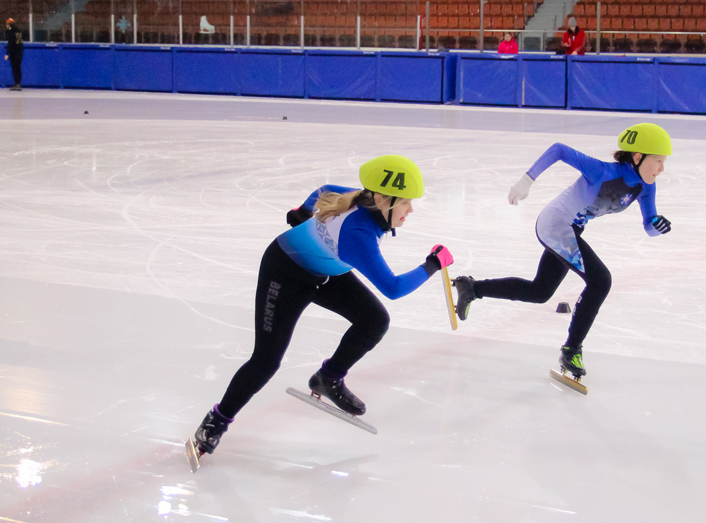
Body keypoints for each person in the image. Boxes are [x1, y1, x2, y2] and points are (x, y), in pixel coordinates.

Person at [186, 155, 454, 463]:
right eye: (405, 202)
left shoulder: (360, 197)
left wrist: (301, 211)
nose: (411, 210)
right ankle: (216, 421)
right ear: (382, 199)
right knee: (266, 361)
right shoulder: (358, 234)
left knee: (374, 320)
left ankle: (329, 378)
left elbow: (323, 190)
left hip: (324, 273)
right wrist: (432, 264)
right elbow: (393, 288)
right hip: (285, 273)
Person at [452, 124, 672, 381]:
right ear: (638, 157)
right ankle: (571, 350)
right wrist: (527, 180)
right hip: (555, 223)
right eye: (658, 160)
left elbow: (649, 226)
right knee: (600, 281)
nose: (662, 168)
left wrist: (657, 226)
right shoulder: (601, 171)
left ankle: (472, 288)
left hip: (571, 230)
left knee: (540, 291)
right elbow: (559, 150)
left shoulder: (646, 187)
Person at [4, 18, 24, 91]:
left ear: (8, 24)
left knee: (15, 69)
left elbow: (10, 43)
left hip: (14, 53)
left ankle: (16, 84)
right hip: (20, 52)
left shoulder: (10, 32)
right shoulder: (19, 31)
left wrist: (7, 53)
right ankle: (18, 84)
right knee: (18, 68)